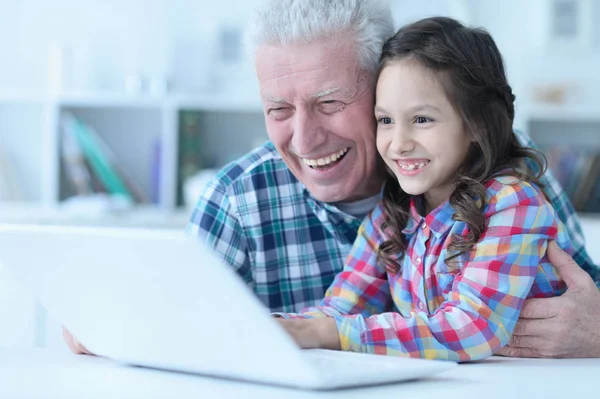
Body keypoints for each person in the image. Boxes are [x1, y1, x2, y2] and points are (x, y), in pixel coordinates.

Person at [64, 0, 600, 358]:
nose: (304, 137)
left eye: (330, 102)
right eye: (278, 108)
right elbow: (322, 311)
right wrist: (123, 325)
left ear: (381, 85)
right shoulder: (245, 200)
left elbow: (509, 316)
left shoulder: (512, 175)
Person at [273, 16, 574, 361]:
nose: (399, 144)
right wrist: (271, 327)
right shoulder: (389, 218)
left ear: (476, 124)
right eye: (385, 120)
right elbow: (337, 310)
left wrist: (328, 333)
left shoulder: (514, 204)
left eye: (422, 120)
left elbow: (471, 328)